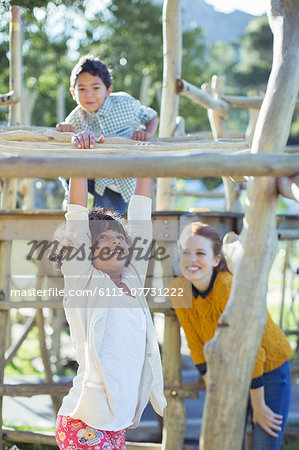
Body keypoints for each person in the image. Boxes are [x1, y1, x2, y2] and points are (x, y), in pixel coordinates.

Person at [53, 134, 166, 450]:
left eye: (120, 239)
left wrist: (144, 163)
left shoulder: (133, 281)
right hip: (84, 421)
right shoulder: (84, 281)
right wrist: (82, 158)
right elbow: (75, 219)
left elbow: (141, 221)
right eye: (104, 240)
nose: (116, 243)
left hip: (117, 422)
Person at [169, 221, 292, 449]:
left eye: (200, 253)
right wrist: (213, 386)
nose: (191, 259)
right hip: (230, 372)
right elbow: (195, 343)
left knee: (264, 441)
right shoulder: (179, 289)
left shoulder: (226, 289)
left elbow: (253, 350)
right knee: (226, 440)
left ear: (216, 259)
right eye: (186, 252)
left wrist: (259, 405)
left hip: (268, 367)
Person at [57, 54, 158, 215]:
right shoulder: (75, 118)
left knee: (104, 222)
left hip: (118, 181)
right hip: (91, 173)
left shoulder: (126, 105)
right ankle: (71, 201)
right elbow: (66, 138)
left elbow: (151, 116)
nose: (89, 94)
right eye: (82, 89)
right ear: (73, 93)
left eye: (96, 88)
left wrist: (146, 133)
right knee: (68, 163)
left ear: (108, 90)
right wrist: (64, 131)